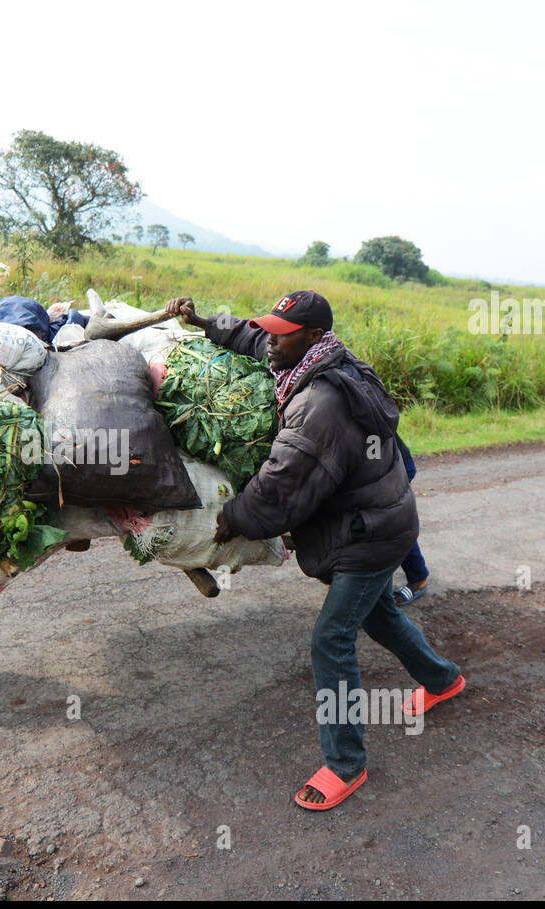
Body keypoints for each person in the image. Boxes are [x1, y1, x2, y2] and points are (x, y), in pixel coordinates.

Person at [164, 290, 464, 811]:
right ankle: (443, 680)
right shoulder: (316, 358)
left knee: (331, 639)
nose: (270, 340)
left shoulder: (319, 402)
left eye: (282, 332)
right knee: (378, 617)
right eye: (271, 329)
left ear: (310, 336)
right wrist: (204, 323)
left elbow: (280, 483)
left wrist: (231, 519)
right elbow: (251, 339)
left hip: (371, 534)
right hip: (378, 517)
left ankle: (345, 765)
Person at [393, 433, 429, 605]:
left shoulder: (367, 414)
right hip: (378, 468)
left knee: (394, 522)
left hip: (397, 468)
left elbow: (374, 454)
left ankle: (418, 579)